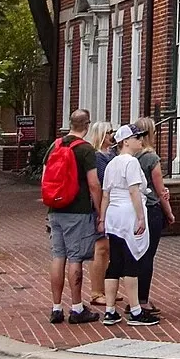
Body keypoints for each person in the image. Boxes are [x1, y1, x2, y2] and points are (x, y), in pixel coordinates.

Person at [44, 106, 101, 326]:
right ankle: (77, 308)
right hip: (77, 210)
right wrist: (99, 210)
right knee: (75, 258)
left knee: (58, 256)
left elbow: (45, 178)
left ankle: (56, 307)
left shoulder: (55, 145)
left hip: (55, 209)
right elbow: (93, 184)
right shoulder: (85, 150)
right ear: (86, 125)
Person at [99, 122, 150, 325]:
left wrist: (102, 218)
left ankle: (110, 310)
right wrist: (140, 217)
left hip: (113, 215)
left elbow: (105, 194)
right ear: (125, 142)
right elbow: (134, 191)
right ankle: (136, 311)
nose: (141, 140)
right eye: (137, 137)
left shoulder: (112, 164)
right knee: (131, 260)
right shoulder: (131, 162)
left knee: (115, 262)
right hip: (128, 213)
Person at [129, 117, 175, 322]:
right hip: (150, 208)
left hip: (132, 209)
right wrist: (169, 212)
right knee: (147, 255)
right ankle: (143, 299)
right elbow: (160, 189)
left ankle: (133, 298)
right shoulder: (151, 158)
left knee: (135, 254)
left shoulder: (128, 157)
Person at [84, 122, 114, 313]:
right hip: (100, 205)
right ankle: (96, 291)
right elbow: (100, 183)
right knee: (100, 248)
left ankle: (106, 286)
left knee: (109, 249)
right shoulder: (97, 157)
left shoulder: (112, 154)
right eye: (108, 132)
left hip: (111, 205)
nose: (112, 135)